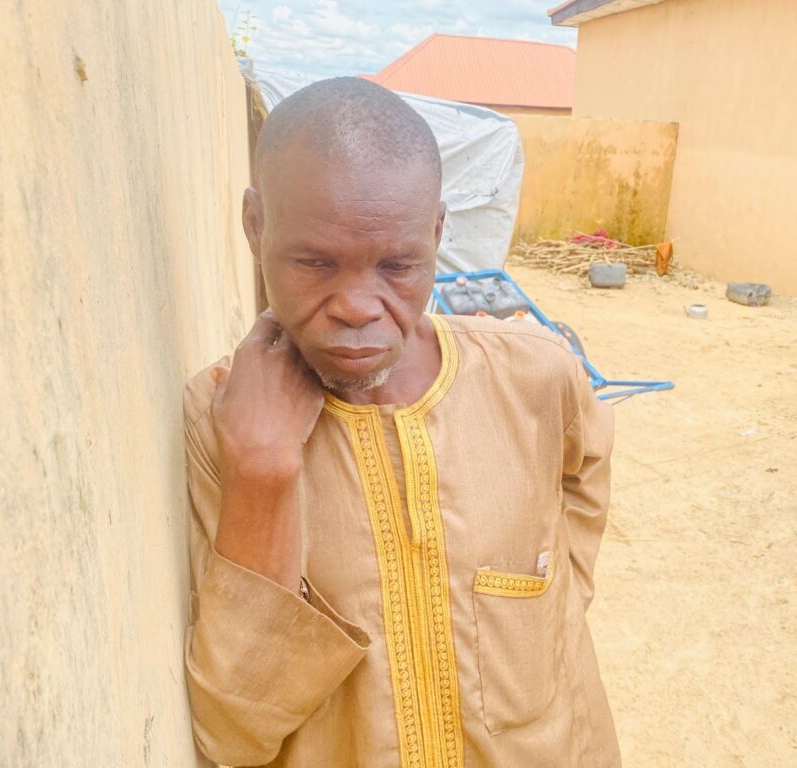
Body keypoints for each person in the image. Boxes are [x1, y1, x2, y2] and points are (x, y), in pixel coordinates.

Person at [182, 77, 620, 767]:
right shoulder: (221, 422)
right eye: (314, 263)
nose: (358, 305)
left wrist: (542, 621)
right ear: (256, 226)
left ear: (438, 234)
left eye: (399, 266)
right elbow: (233, 733)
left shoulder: (535, 377)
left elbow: (581, 488)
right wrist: (264, 472)